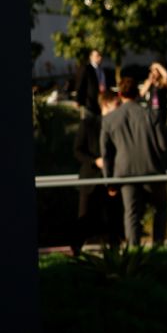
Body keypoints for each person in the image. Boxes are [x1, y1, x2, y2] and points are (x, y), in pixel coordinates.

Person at [101, 76, 167, 247]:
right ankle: (158, 246)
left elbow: (106, 153)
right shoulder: (149, 114)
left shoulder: (109, 119)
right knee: (160, 209)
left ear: (120, 93)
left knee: (131, 214)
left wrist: (109, 180)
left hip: (125, 172)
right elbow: (162, 145)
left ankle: (133, 252)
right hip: (152, 169)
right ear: (137, 93)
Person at [71, 89, 121, 253]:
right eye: (116, 104)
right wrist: (95, 161)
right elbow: (78, 151)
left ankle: (114, 253)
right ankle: (76, 251)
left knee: (111, 219)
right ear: (106, 104)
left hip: (109, 181)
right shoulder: (88, 124)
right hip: (90, 180)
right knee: (83, 219)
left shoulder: (117, 126)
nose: (119, 108)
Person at [74, 49, 107, 117]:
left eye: (100, 56)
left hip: (100, 102)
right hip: (89, 102)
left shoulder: (101, 69)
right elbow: (80, 84)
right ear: (91, 57)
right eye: (97, 56)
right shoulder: (86, 68)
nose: (100, 58)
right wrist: (78, 100)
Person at [139, 61, 167, 128]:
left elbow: (166, 75)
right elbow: (141, 93)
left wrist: (157, 65)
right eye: (152, 71)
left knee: (160, 129)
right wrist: (150, 81)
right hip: (150, 109)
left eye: (156, 71)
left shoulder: (163, 83)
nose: (153, 73)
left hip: (161, 110)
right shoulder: (149, 82)